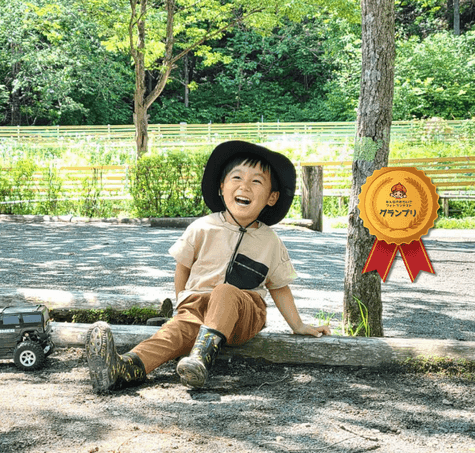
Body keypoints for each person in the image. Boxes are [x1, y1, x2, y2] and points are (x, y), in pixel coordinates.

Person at [85, 140, 331, 392]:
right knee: (172, 333)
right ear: (222, 186)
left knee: (225, 290)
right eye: (237, 177)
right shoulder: (203, 227)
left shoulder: (271, 241)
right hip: (197, 305)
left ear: (272, 197)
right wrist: (182, 301)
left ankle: (201, 359)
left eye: (257, 181)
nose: (245, 185)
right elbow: (183, 266)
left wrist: (298, 326)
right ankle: (124, 368)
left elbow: (279, 287)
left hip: (243, 314)